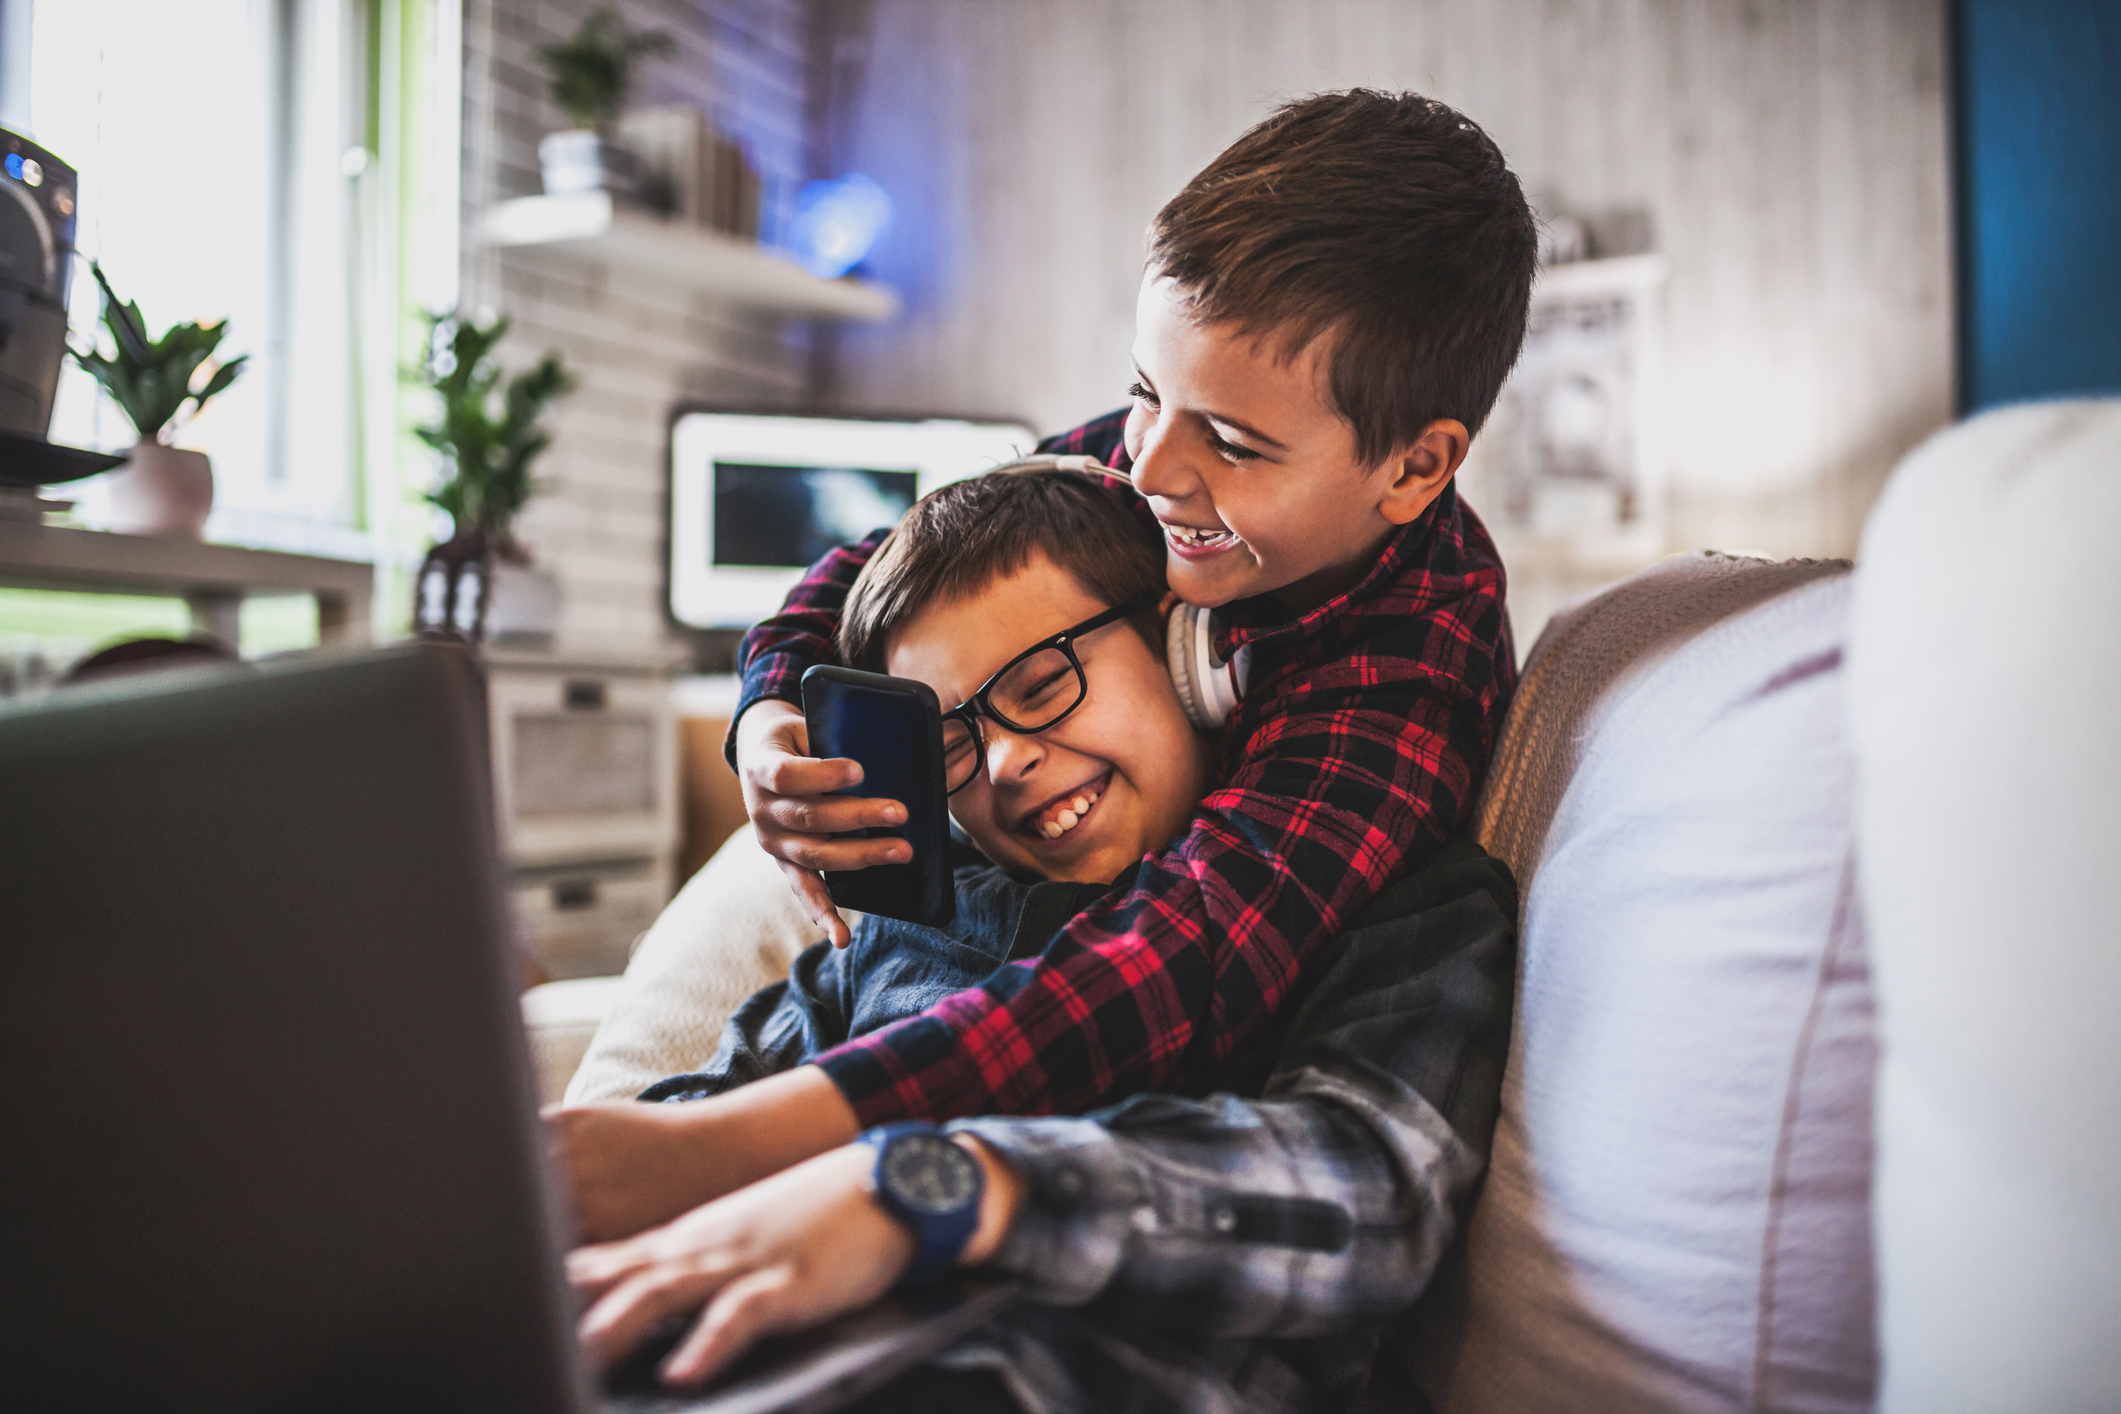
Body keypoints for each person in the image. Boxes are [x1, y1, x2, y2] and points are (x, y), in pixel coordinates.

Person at [551, 87, 1537, 1245]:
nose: (1151, 468)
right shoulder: (1151, 459)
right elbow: (873, 563)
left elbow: (1175, 969)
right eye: (1144, 392)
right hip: (914, 911)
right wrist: (769, 712)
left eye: (1230, 440)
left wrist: (723, 1155)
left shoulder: (1409, 674)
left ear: (1415, 468)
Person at [639, 467, 1216, 1104]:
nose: (1002, 765)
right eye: (947, 745)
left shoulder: (1284, 922)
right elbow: (693, 1120)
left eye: (1044, 687)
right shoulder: (895, 935)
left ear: (1178, 645)